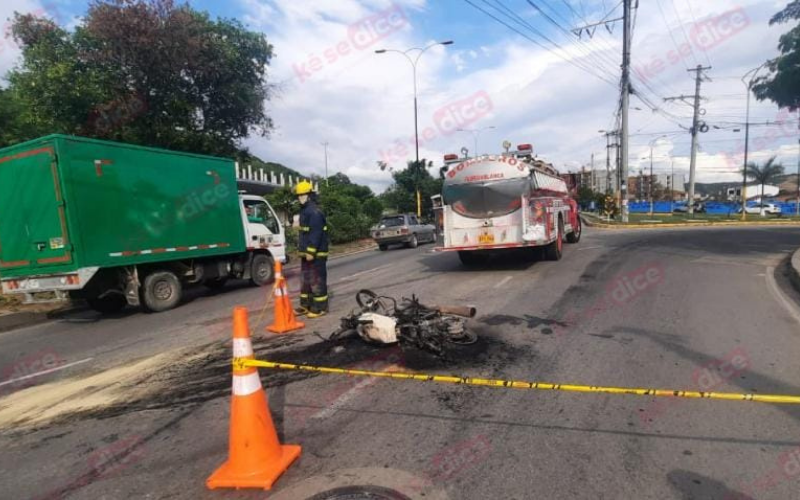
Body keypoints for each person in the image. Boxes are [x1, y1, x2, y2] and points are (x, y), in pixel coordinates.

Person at [294, 180, 329, 318]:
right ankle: (306, 305)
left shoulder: (314, 212)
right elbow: (304, 233)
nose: (299, 198)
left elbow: (316, 233)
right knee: (306, 280)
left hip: (316, 253)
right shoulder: (304, 211)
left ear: (309, 195)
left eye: (302, 195)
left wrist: (310, 251)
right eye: (298, 195)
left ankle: (320, 307)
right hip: (307, 253)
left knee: (317, 280)